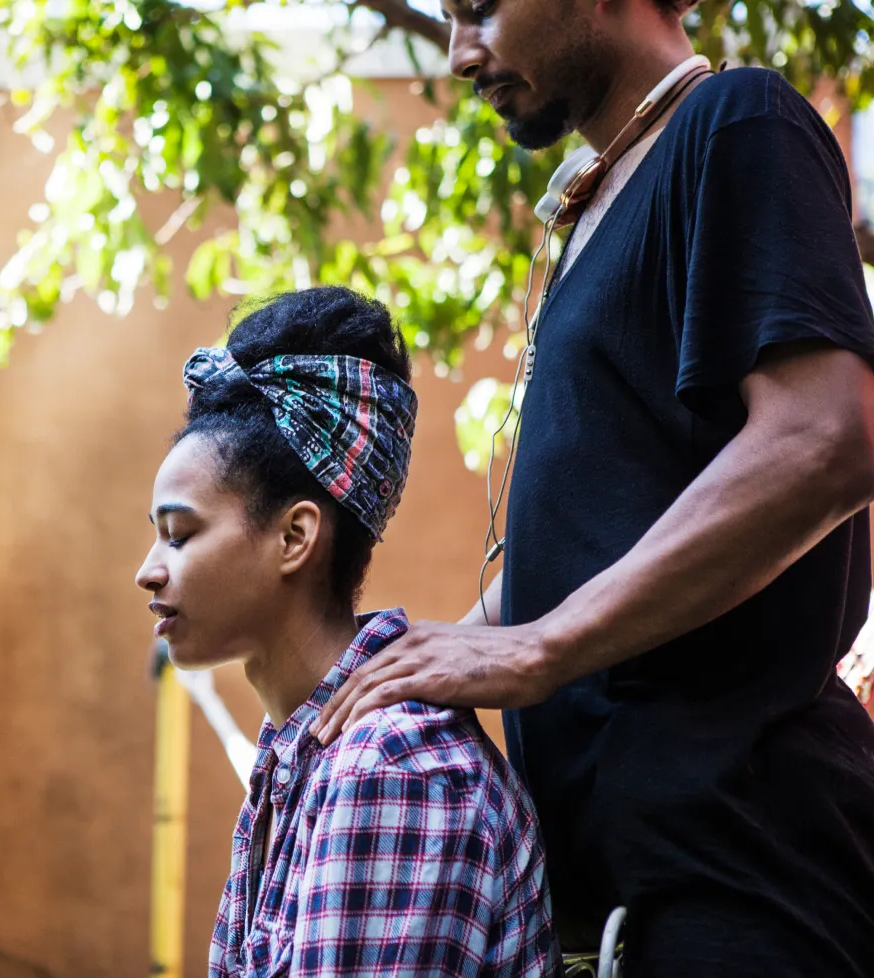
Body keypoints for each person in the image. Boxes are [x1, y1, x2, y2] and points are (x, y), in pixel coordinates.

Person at [309, 2, 874, 975]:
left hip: (739, 875)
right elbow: (584, 548)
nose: (458, 52)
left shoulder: (736, 122)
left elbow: (827, 436)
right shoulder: (591, 213)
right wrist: (421, 664)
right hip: (606, 911)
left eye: (478, 9)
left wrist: (539, 647)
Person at [136, 287, 557, 977]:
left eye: (179, 536)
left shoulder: (388, 767)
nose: (147, 573)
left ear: (295, 537)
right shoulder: (301, 757)